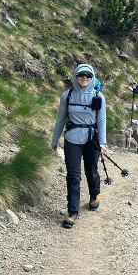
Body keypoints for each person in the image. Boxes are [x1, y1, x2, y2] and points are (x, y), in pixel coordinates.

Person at [51, 63, 107, 229]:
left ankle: (94, 195)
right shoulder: (67, 96)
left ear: (92, 78)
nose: (84, 78)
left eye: (88, 76)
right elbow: (60, 119)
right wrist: (54, 141)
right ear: (75, 76)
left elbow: (101, 121)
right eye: (81, 75)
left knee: (91, 170)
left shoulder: (98, 97)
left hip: (92, 140)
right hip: (72, 139)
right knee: (73, 176)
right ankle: (72, 212)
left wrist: (102, 144)